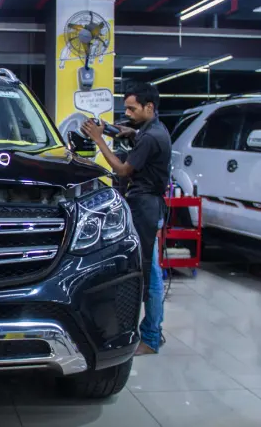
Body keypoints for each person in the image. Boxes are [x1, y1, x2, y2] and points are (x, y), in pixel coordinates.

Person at [81, 82, 171, 356]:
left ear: (149, 107)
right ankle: (154, 331)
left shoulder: (150, 137)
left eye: (133, 109)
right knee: (150, 268)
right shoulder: (155, 130)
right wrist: (127, 131)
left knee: (149, 272)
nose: (128, 112)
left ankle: (151, 338)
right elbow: (140, 138)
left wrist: (98, 138)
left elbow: (121, 170)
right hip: (149, 206)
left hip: (145, 207)